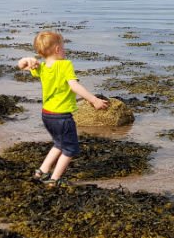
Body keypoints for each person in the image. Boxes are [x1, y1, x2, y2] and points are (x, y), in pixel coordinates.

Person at [17, 31, 108, 187]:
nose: (64, 51)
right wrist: (94, 100)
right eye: (64, 48)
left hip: (47, 114)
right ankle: (54, 179)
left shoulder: (42, 67)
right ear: (58, 49)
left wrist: (25, 60)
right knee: (70, 149)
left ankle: (41, 172)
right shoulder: (65, 65)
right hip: (62, 116)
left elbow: (22, 66)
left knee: (59, 144)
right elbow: (74, 86)